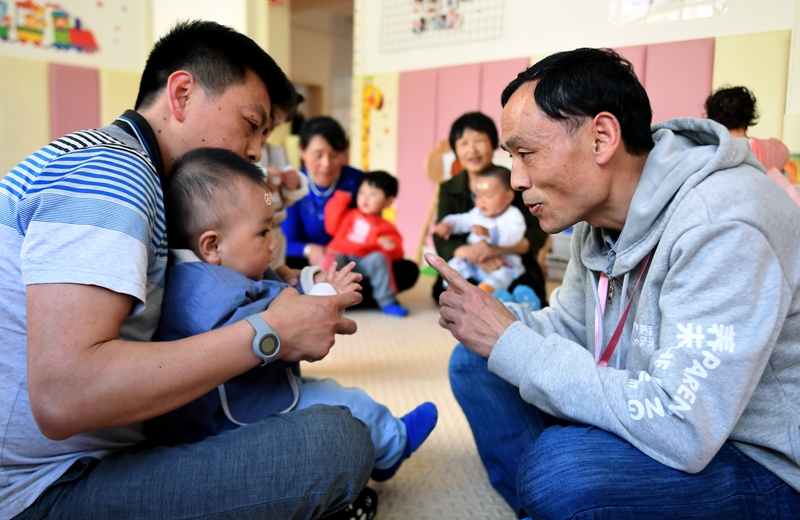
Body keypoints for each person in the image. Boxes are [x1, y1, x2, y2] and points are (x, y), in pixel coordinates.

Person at [0, 20, 378, 520]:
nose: (253, 151)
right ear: (181, 94)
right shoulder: (114, 173)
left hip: (109, 449)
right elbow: (64, 396)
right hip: (42, 489)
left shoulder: (137, 174)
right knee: (335, 440)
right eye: (250, 124)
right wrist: (270, 332)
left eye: (264, 136)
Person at [429, 47, 800, 519]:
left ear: (602, 137)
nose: (515, 180)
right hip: (671, 418)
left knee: (562, 470)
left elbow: (685, 427)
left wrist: (512, 342)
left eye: (526, 153)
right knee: (475, 362)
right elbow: (575, 327)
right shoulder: (597, 217)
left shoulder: (725, 221)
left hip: (757, 459)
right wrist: (494, 325)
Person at [147, 148, 438, 482]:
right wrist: (325, 297)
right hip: (241, 413)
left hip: (257, 394)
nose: (273, 244)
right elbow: (267, 328)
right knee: (344, 403)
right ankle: (392, 447)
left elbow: (272, 286)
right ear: (212, 245)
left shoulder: (202, 272)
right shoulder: (210, 293)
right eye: (262, 233)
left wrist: (308, 280)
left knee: (324, 391)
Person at [282, 116, 419, 306]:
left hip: (355, 259)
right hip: (312, 263)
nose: (326, 163)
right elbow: (287, 242)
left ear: (344, 152)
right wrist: (309, 249)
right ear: (302, 151)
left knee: (407, 269)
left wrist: (384, 245)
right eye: (318, 154)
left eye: (335, 154)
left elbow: (373, 223)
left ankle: (332, 298)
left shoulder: (358, 181)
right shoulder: (294, 185)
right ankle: (350, 297)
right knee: (286, 269)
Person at [432, 111, 548, 305]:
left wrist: (493, 250)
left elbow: (536, 233)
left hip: (510, 260)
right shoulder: (449, 188)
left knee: (527, 288)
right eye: (463, 143)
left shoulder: (512, 182)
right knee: (445, 289)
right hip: (468, 260)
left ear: (493, 143)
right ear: (455, 150)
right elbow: (442, 235)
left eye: (479, 141)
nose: (472, 150)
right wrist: (476, 254)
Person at [322, 170, 409, 317]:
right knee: (333, 258)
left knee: (379, 258)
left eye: (373, 194)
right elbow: (330, 227)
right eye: (362, 192)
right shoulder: (349, 215)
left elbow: (398, 252)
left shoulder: (386, 226)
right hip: (343, 258)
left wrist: (391, 246)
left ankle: (386, 301)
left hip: (364, 264)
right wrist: (340, 200)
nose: (365, 198)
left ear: (389, 201)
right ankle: (324, 299)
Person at [434, 165, 526, 295]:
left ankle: (485, 290)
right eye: (478, 196)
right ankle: (455, 289)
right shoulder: (477, 214)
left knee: (503, 275)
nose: (482, 202)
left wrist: (490, 233)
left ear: (508, 197)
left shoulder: (513, 216)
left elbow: (514, 235)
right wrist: (449, 224)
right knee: (455, 264)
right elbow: (462, 220)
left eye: (488, 196)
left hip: (501, 261)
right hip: (474, 261)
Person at [704, 86, 800, 206]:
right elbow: (784, 152)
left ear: (712, 119)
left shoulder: (709, 151)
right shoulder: (761, 148)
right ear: (749, 115)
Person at [258, 96, 310, 269]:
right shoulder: (242, 149)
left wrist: (293, 183)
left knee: (279, 277)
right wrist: (265, 177)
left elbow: (288, 198)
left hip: (277, 229)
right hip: (256, 232)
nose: (272, 129)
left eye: (277, 125)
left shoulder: (276, 151)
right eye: (269, 123)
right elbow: (236, 178)